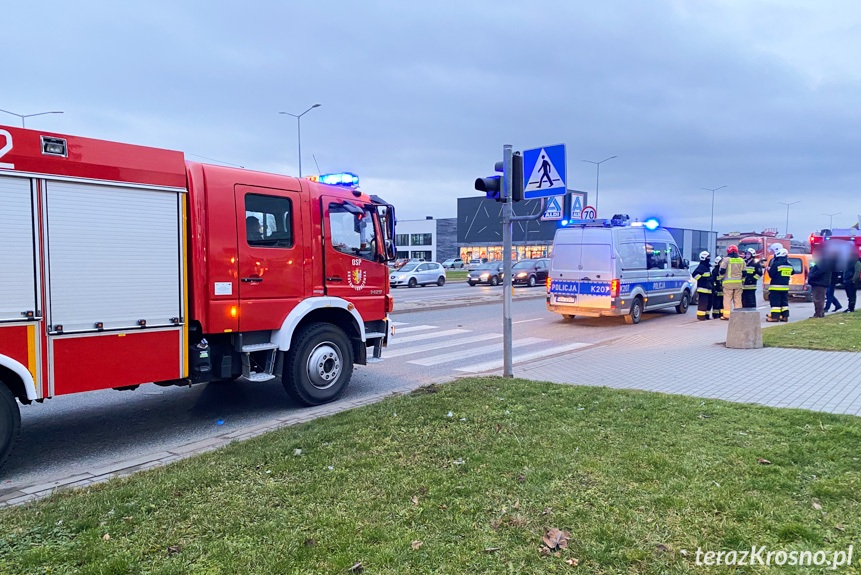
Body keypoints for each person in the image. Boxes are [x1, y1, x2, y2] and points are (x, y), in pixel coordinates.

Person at [718, 245, 747, 320]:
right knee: (737, 299)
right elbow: (744, 273)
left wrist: (720, 278)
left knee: (727, 299)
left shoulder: (726, 259)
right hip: (738, 283)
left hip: (728, 283)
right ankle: (738, 315)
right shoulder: (741, 260)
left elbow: (722, 271)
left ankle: (727, 315)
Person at [766, 248, 793, 322]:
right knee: (784, 303)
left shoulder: (776, 264)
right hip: (785, 288)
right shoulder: (789, 265)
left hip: (775, 287)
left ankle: (775, 317)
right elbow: (793, 272)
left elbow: (771, 274)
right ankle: (785, 316)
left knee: (775, 303)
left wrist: (768, 270)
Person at [808, 248, 832, 318]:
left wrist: (811, 276)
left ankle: (818, 314)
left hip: (819, 283)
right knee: (820, 299)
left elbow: (818, 272)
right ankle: (820, 313)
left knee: (818, 299)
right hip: (820, 283)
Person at [692, 251, 713, 321]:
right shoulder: (701, 266)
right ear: (703, 258)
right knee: (702, 304)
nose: (709, 258)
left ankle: (706, 316)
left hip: (707, 289)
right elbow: (694, 275)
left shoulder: (706, 266)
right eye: (708, 257)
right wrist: (703, 279)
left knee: (708, 303)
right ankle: (701, 317)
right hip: (703, 288)